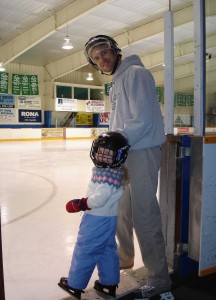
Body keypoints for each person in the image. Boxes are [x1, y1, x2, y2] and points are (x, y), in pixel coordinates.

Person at [84, 35, 174, 300]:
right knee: (121, 209)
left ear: (115, 51)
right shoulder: (117, 80)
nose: (103, 59)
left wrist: (115, 141)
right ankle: (125, 260)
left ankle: (159, 279)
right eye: (97, 57)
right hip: (125, 153)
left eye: (105, 52)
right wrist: (113, 143)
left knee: (144, 215)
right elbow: (124, 121)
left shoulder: (135, 74)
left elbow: (143, 119)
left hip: (142, 153)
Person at [58, 131, 130, 299]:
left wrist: (80, 204)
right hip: (108, 219)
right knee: (106, 250)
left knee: (86, 249)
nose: (102, 156)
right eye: (100, 152)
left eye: (108, 154)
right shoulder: (113, 173)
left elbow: (99, 199)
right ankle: (109, 282)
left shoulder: (107, 178)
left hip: (96, 219)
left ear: (118, 156)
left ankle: (75, 284)